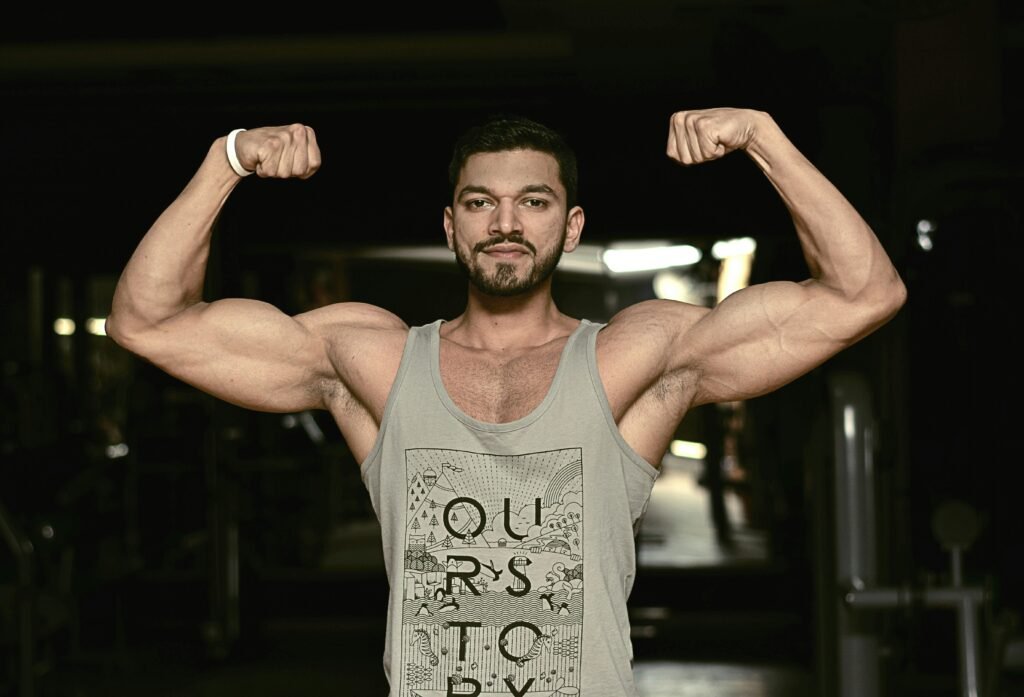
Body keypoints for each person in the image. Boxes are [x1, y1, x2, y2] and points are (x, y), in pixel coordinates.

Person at [106, 108, 906, 696]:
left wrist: (764, 138)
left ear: (572, 225)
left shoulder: (635, 357)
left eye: (534, 201)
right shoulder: (372, 360)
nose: (506, 223)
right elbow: (147, 323)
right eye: (480, 202)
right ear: (450, 226)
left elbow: (864, 294)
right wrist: (226, 159)